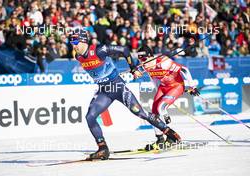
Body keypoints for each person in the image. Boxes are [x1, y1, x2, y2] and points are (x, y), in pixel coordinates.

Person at [71, 27, 181, 160]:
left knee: (140, 113)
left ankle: (169, 132)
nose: (73, 44)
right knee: (90, 116)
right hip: (104, 91)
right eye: (71, 41)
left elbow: (124, 50)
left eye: (75, 41)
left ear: (83, 41)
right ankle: (103, 148)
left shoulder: (99, 50)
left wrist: (133, 67)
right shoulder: (77, 56)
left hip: (118, 87)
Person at [137, 45, 200, 150]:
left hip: (176, 85)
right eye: (139, 60)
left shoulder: (164, 62)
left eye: (143, 59)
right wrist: (161, 93)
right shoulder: (146, 67)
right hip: (163, 87)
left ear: (150, 57)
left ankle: (171, 138)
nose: (142, 63)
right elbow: (155, 80)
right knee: (153, 114)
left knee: (161, 107)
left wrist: (192, 86)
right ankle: (160, 139)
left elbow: (184, 70)